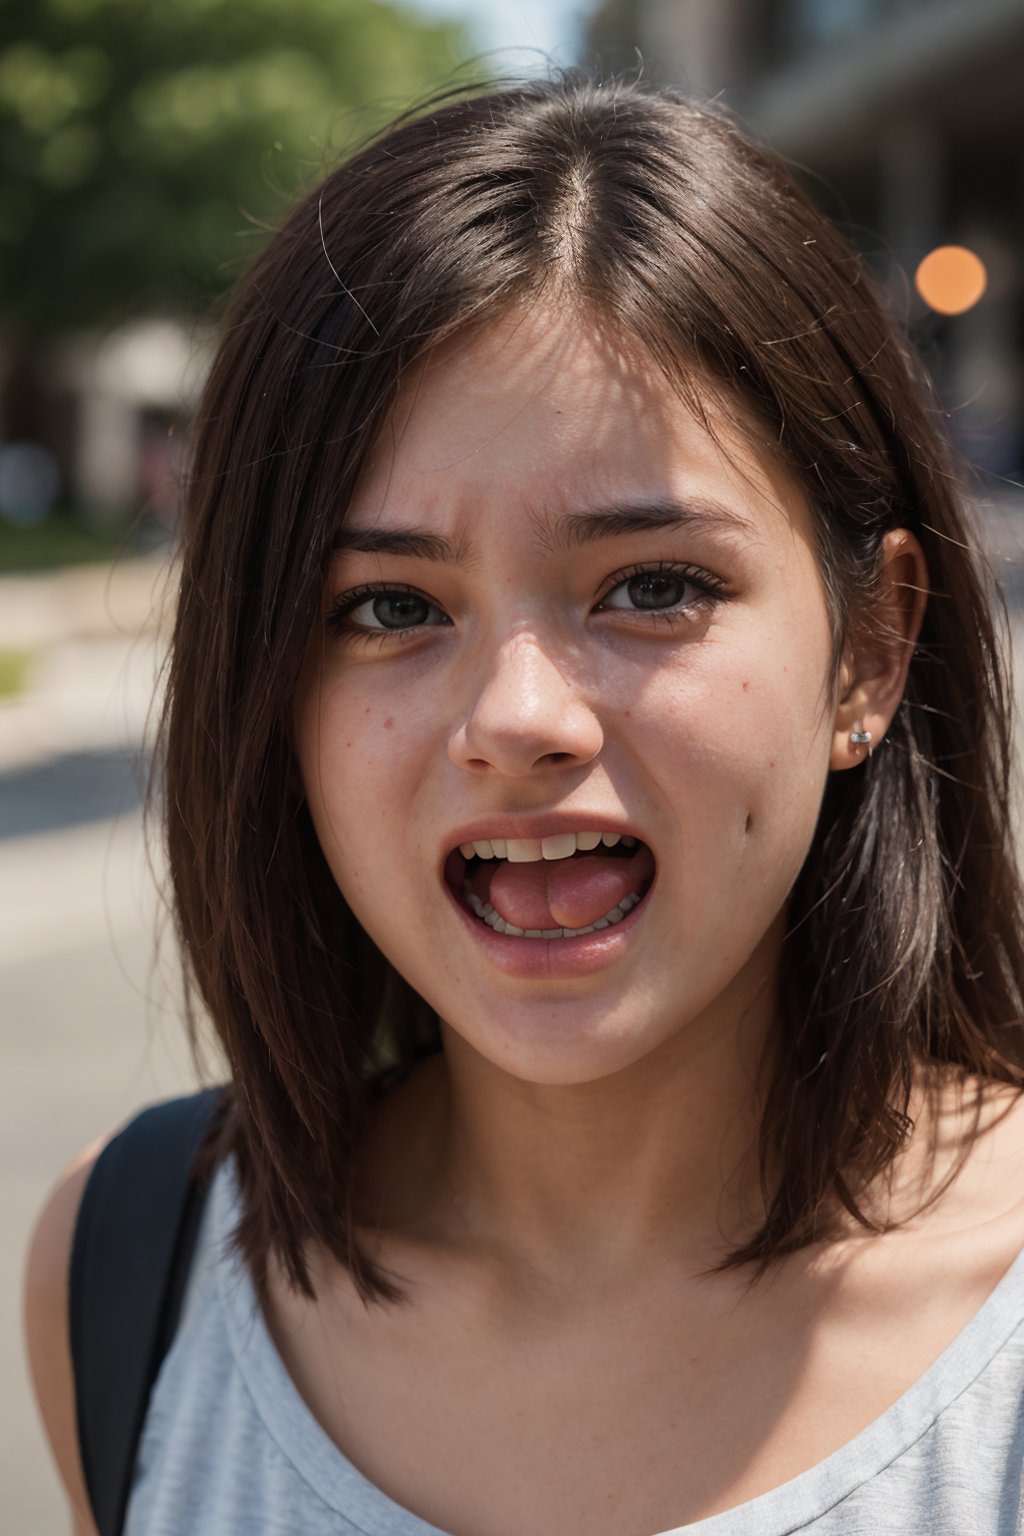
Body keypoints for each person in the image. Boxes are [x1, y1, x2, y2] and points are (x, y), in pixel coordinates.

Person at [24, 70, 1024, 1536]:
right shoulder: (127, 1275)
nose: (518, 720)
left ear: (870, 649)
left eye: (656, 586)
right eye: (385, 607)